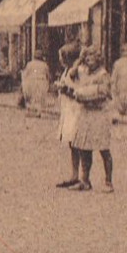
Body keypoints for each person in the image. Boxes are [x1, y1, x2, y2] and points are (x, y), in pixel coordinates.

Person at [68, 45, 115, 192]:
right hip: (85, 113)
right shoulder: (83, 72)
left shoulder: (103, 74)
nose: (89, 61)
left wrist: (86, 94)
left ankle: (108, 182)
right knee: (84, 148)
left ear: (98, 59)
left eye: (91, 58)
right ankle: (85, 180)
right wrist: (79, 60)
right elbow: (71, 74)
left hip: (98, 114)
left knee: (103, 149)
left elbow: (105, 93)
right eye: (87, 58)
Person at [52, 41, 83, 188]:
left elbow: (79, 90)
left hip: (75, 110)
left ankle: (81, 176)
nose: (59, 59)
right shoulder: (67, 70)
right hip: (67, 110)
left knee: (77, 143)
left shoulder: (77, 71)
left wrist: (65, 89)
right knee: (72, 143)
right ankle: (74, 174)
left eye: (61, 56)